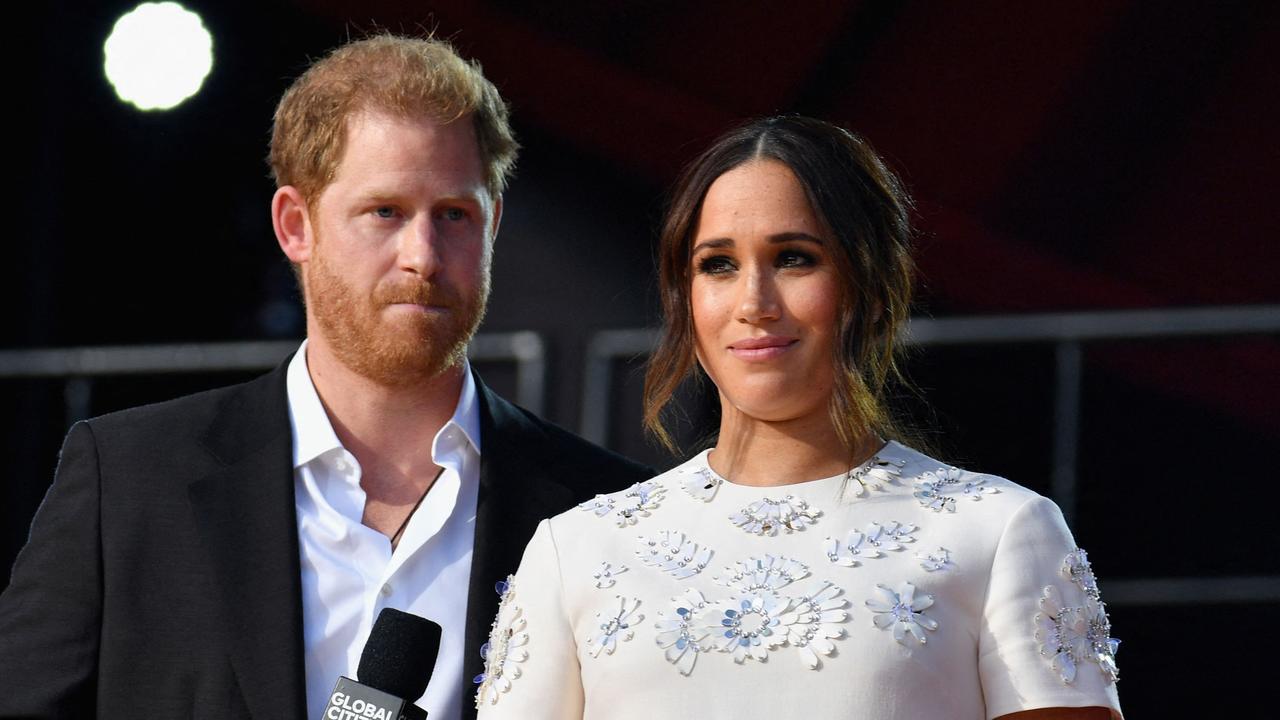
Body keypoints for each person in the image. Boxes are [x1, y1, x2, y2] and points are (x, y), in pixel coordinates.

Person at [0, 34, 651, 720]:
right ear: (295, 225)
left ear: (493, 227)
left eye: (455, 215)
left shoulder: (603, 512)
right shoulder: (130, 481)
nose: (422, 256)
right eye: (386, 212)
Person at [472, 116, 1122, 720]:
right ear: (685, 296)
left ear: (868, 285)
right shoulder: (578, 549)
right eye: (718, 265)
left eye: (793, 258)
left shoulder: (1001, 532)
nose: (754, 302)